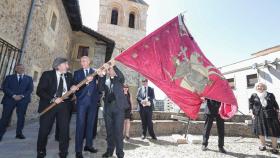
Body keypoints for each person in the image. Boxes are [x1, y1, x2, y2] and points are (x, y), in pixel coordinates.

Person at [36, 58, 78, 158]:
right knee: (44, 130)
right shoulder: (47, 74)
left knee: (64, 131)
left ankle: (63, 153)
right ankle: (41, 151)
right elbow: (40, 91)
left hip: (64, 106)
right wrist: (53, 99)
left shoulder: (69, 76)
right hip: (49, 105)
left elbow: (72, 92)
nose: (68, 66)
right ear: (58, 65)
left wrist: (73, 89)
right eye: (66, 64)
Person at [97, 60, 128, 158]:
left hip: (118, 109)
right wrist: (101, 76)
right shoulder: (106, 81)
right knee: (109, 132)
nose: (110, 71)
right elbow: (100, 88)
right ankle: (109, 151)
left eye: (111, 69)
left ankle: (120, 154)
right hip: (108, 109)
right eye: (109, 70)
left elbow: (121, 75)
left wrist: (113, 66)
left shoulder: (119, 80)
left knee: (118, 132)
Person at [0, 64, 33, 141]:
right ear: (16, 69)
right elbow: (5, 87)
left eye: (23, 68)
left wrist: (21, 96)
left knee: (21, 117)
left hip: (23, 100)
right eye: (20, 68)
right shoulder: (9, 77)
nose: (22, 69)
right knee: (5, 117)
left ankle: (19, 133)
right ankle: (0, 133)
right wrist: (13, 95)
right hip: (9, 100)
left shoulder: (29, 78)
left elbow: (30, 89)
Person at [74, 56, 99, 158]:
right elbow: (74, 86)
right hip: (82, 103)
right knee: (80, 125)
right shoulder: (77, 73)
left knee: (90, 125)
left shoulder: (95, 72)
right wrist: (85, 81)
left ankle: (88, 145)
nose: (82, 63)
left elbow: (101, 84)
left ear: (89, 61)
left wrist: (102, 75)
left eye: (84, 61)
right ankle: (78, 150)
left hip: (93, 103)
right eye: (81, 61)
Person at [249, 82, 280, 154]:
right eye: (258, 86)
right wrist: (251, 113)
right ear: (256, 87)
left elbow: (275, 105)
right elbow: (251, 105)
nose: (260, 87)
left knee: (273, 131)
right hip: (258, 115)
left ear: (264, 87)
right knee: (260, 131)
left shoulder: (270, 95)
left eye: (262, 86)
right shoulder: (253, 95)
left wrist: (278, 113)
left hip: (270, 115)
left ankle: (274, 148)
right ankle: (263, 145)